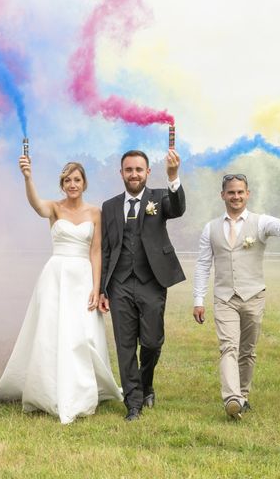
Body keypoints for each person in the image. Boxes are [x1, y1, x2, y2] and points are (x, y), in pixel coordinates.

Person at [0, 158, 122, 424]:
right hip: (55, 276)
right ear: (62, 184)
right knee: (51, 330)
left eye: (77, 180)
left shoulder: (95, 212)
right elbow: (36, 205)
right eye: (68, 180)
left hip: (82, 277)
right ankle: (47, 388)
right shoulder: (54, 208)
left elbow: (96, 251)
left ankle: (82, 388)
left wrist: (96, 288)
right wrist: (27, 177)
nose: (73, 184)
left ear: (84, 184)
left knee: (82, 332)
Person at [193, 174, 280, 419]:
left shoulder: (260, 223)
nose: (236, 196)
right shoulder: (211, 228)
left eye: (240, 192)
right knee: (228, 346)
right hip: (224, 297)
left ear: (247, 194)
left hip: (253, 296)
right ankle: (231, 397)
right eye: (231, 192)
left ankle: (243, 396)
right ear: (223, 195)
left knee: (247, 350)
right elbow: (202, 265)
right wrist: (198, 300)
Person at [99, 149, 186, 421]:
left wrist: (173, 176)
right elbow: (105, 249)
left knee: (151, 342)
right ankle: (133, 403)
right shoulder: (109, 206)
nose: (134, 174)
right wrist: (102, 288)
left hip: (152, 281)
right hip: (119, 284)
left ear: (148, 172)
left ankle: (146, 383)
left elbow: (178, 208)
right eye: (129, 170)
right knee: (125, 345)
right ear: (121, 173)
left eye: (139, 169)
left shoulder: (159, 198)